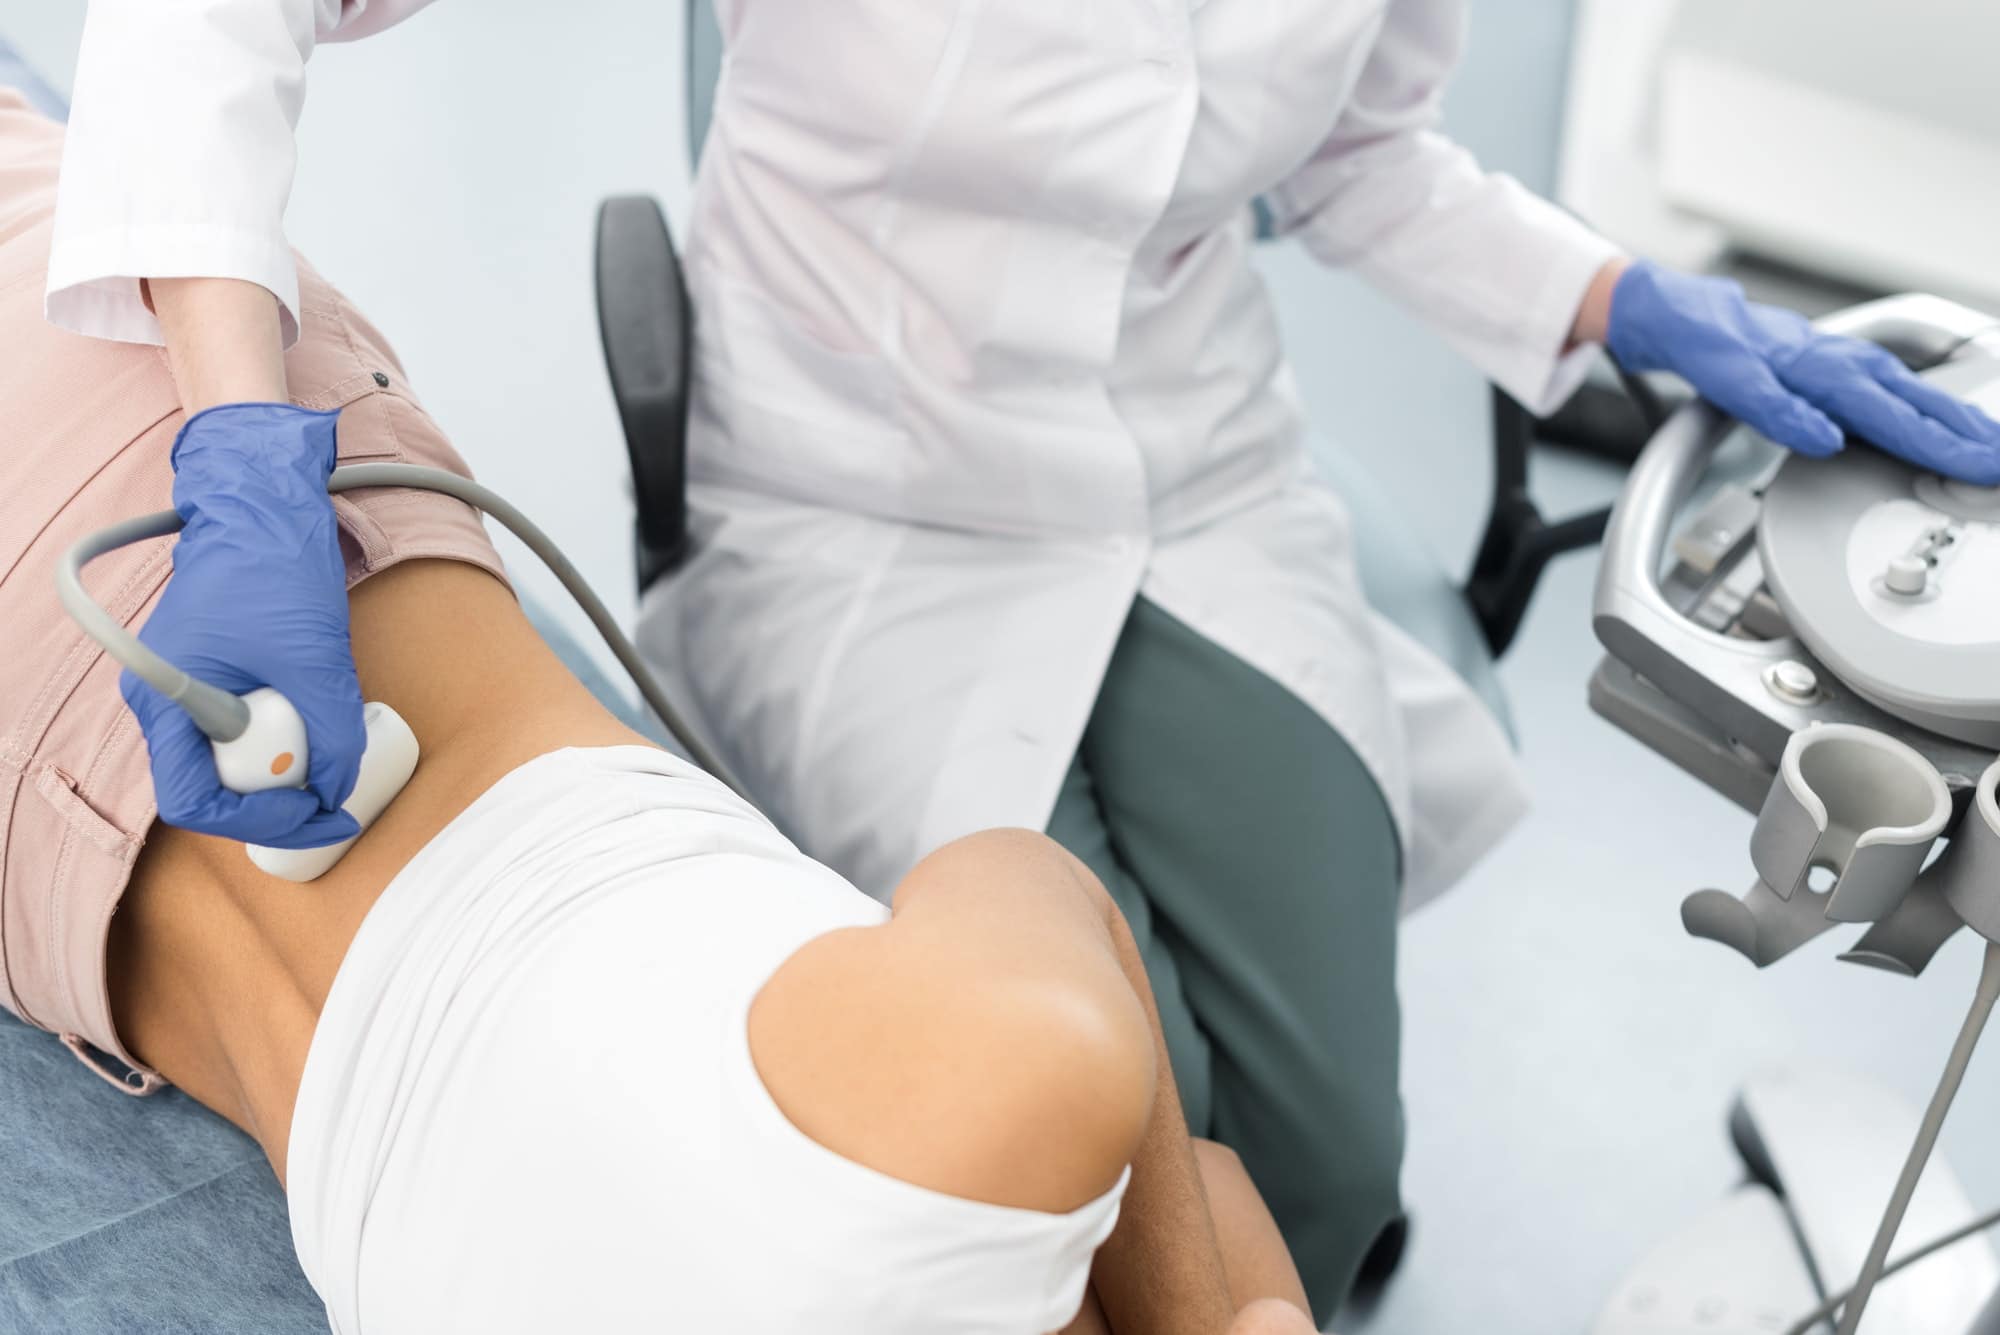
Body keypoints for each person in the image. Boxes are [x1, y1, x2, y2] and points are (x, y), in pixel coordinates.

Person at [44, 2, 2000, 1320]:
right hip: (853, 499)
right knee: (1115, 1147)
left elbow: (1356, 158)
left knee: (1316, 1154)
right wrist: (235, 447)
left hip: (1197, 477)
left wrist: (1618, 301)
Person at [0, 92, 1313, 1335]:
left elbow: (1040, 904)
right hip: (52, 875)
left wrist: (1225, 1312)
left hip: (137, 476)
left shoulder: (996, 1105)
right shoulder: (979, 1120)